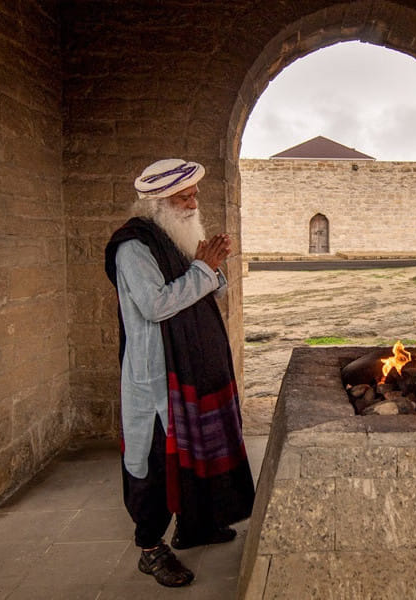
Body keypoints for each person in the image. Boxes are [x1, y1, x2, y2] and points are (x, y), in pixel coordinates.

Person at [104, 158, 255, 587]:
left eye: (193, 195)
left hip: (198, 369)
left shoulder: (177, 233)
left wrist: (212, 262)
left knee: (200, 448)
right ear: (156, 204)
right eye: (182, 197)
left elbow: (209, 287)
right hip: (161, 376)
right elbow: (155, 305)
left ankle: (197, 525)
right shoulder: (133, 246)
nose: (193, 204)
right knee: (154, 460)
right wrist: (203, 268)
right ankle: (150, 549)